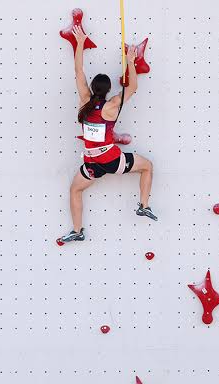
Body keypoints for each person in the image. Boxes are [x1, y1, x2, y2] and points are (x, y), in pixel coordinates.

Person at [58, 26, 157, 245]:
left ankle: (77, 230)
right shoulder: (112, 105)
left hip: (92, 162)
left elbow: (78, 72)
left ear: (92, 88)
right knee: (147, 166)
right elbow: (132, 87)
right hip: (112, 160)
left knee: (75, 190)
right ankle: (143, 205)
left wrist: (81, 42)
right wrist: (130, 60)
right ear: (109, 88)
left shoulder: (84, 101)